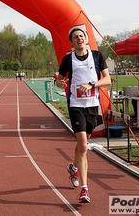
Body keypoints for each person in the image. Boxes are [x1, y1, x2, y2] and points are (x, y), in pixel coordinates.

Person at [56, 26, 111, 203]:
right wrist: (60, 83)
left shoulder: (97, 56)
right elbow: (59, 80)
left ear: (86, 39)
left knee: (83, 144)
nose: (79, 38)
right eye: (75, 37)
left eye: (81, 36)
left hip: (92, 105)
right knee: (84, 146)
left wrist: (92, 85)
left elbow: (107, 80)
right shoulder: (68, 59)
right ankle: (85, 189)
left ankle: (73, 167)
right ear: (71, 42)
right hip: (76, 105)